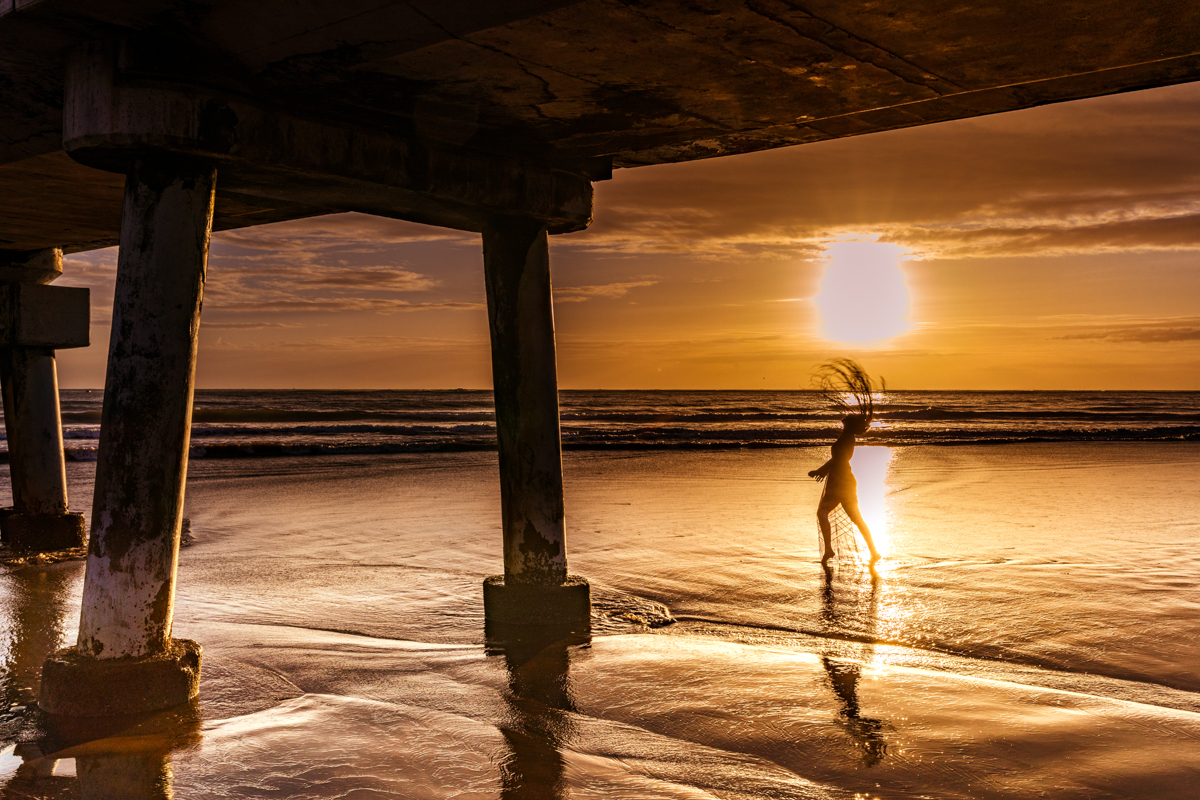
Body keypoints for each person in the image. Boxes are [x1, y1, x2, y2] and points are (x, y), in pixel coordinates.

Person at [808, 359, 883, 567]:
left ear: (849, 425)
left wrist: (820, 470)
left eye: (847, 418)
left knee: (827, 513)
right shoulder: (846, 437)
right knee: (855, 519)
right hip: (842, 481)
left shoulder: (848, 438)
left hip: (841, 481)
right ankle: (872, 551)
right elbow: (837, 460)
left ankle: (835, 550)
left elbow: (838, 459)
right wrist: (822, 472)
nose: (844, 418)